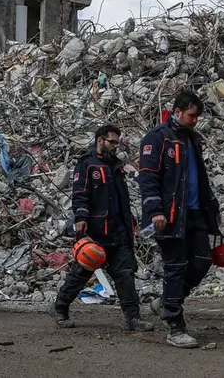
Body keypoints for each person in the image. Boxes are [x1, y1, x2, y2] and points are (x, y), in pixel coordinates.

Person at [137, 91, 222, 348]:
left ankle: (165, 302)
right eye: (191, 115)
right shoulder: (157, 138)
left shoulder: (192, 140)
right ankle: (174, 325)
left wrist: (213, 208)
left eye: (197, 116)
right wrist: (155, 211)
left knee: (203, 260)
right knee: (175, 267)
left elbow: (200, 179)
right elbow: (148, 178)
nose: (196, 120)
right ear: (177, 112)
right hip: (170, 216)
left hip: (195, 213)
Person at [53, 124, 155, 333]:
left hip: (119, 231)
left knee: (125, 273)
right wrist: (81, 218)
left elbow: (121, 200)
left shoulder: (115, 167)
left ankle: (132, 317)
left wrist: (130, 226)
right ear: (100, 141)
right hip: (96, 231)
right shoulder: (87, 165)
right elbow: (80, 193)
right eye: (112, 142)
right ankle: (60, 308)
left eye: (117, 142)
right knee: (81, 272)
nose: (115, 146)